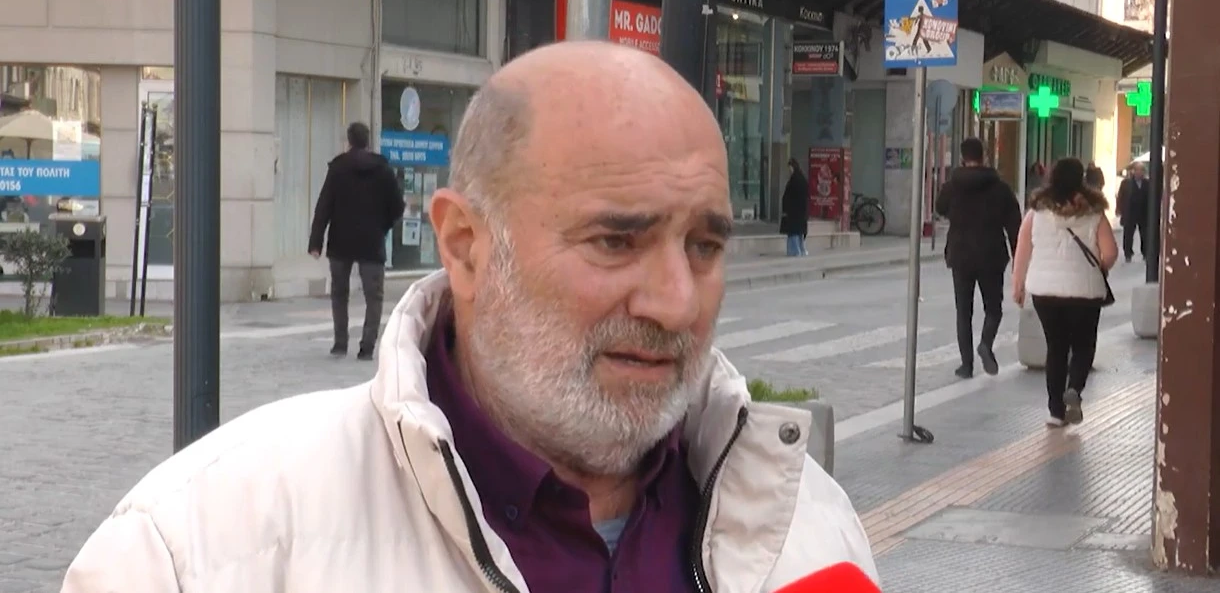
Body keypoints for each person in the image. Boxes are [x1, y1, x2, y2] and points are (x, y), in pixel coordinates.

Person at [61, 42, 877, 592]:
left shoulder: (806, 526)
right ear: (464, 246)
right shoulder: (203, 547)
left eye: (704, 245)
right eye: (616, 240)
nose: (677, 301)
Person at [1011, 158, 1116, 427]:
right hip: (1085, 291)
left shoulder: (1036, 212)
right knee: (1083, 345)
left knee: (1056, 348)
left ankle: (1055, 413)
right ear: (1082, 179)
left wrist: (1018, 285)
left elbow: (1022, 250)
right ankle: (1074, 388)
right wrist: (1098, 265)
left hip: (1045, 292)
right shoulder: (1094, 212)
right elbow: (1110, 253)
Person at [307, 122, 405, 361]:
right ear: (368, 141)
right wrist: (382, 226)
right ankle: (367, 346)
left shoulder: (338, 168)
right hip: (372, 241)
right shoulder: (383, 170)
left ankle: (340, 343)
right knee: (374, 296)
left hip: (341, 240)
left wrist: (316, 242)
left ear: (349, 141)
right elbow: (397, 206)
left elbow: (324, 206)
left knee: (339, 293)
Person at [935, 137, 1022, 379]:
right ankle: (985, 343)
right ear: (984, 156)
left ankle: (966, 365)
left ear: (963, 157)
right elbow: (1014, 225)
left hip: (960, 255)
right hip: (991, 255)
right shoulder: (1000, 188)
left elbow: (940, 207)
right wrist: (1019, 258)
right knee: (993, 308)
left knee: (963, 312)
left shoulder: (952, 186)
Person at [1116, 161, 1149, 263]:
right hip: (1130, 212)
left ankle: (1146, 253)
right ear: (1133, 171)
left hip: (1143, 212)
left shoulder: (1148, 183)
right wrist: (1118, 209)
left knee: (1145, 234)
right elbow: (1120, 196)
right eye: (1137, 170)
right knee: (1128, 234)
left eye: (1141, 170)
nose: (1139, 172)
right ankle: (1128, 253)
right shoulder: (1126, 183)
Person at [780, 157, 810, 257]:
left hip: (794, 211)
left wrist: (786, 209)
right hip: (800, 211)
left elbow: (789, 195)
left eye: (790, 168)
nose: (789, 170)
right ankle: (801, 250)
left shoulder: (794, 180)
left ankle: (795, 251)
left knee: (793, 232)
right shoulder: (802, 178)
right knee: (799, 233)